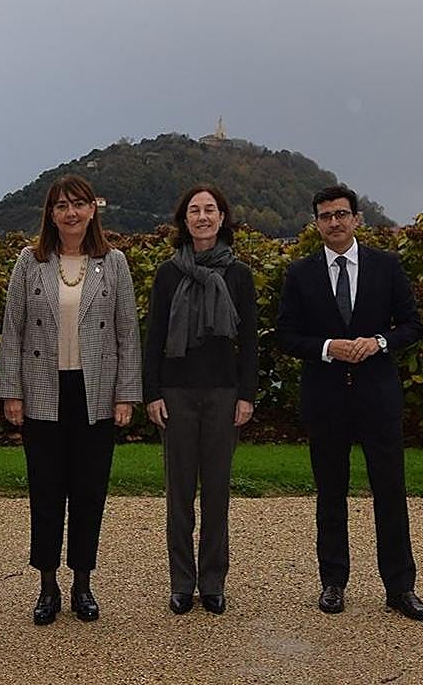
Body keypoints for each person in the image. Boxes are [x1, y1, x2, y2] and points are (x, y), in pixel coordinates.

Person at [275, 185, 423, 621]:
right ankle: (333, 582)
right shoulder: (300, 273)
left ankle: (400, 588)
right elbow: (286, 335)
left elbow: (412, 325)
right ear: (316, 223)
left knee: (390, 492)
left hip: (378, 397)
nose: (334, 222)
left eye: (341, 214)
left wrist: (379, 342)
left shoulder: (387, 266)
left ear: (357, 219)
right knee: (330, 493)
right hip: (325, 399)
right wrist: (328, 347)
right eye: (325, 216)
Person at [0, 174, 141, 626]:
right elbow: (12, 330)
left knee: (89, 492)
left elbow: (127, 333)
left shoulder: (113, 263)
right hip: (43, 390)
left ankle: (82, 583)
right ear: (51, 214)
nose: (71, 213)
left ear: (93, 209)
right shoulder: (30, 261)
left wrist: (126, 394)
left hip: (94, 393)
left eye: (78, 204)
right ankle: (47, 585)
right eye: (62, 205)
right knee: (45, 491)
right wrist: (12, 391)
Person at [143, 185, 256, 615]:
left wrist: (247, 395)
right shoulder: (168, 274)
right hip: (176, 393)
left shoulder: (238, 274)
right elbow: (154, 337)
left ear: (222, 218)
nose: (203, 216)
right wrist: (152, 393)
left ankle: (212, 582)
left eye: (210, 209)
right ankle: (181, 583)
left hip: (224, 392)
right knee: (179, 494)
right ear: (184, 220)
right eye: (195, 210)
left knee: (217, 492)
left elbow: (249, 342)